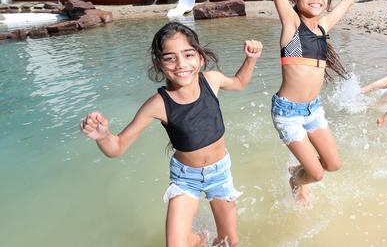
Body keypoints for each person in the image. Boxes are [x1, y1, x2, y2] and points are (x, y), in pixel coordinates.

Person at [80, 22, 262, 247]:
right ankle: (197, 240)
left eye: (188, 54)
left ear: (200, 57)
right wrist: (102, 135)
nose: (181, 64)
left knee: (228, 242)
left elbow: (240, 83)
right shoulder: (158, 104)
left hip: (220, 173)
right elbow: (116, 147)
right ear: (159, 64)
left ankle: (202, 240)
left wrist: (251, 58)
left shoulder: (212, 81)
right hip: (186, 178)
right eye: (170, 58)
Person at [240, 0, 359, 207]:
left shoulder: (323, 27)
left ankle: (299, 170)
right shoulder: (292, 23)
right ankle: (298, 180)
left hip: (313, 110)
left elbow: (347, 0)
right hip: (288, 114)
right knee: (316, 174)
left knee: (333, 165)